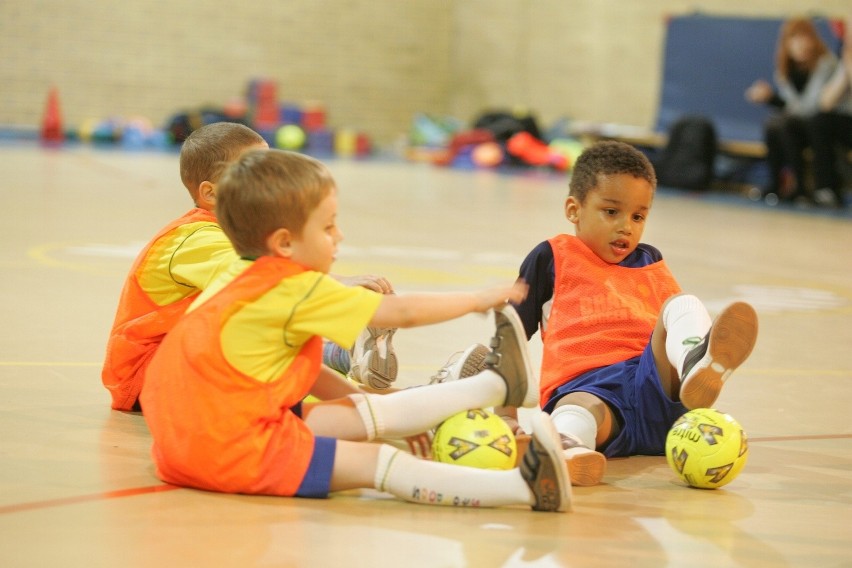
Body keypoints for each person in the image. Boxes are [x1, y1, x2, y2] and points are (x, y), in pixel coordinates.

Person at [138, 149, 571, 512]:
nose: (339, 235)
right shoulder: (293, 288)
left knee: (353, 414)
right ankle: (527, 488)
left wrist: (395, 419)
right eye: (327, 227)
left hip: (190, 439)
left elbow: (309, 376)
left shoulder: (239, 273)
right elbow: (399, 312)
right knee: (375, 462)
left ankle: (494, 385)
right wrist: (477, 300)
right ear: (284, 243)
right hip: (228, 450)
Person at [491, 141, 758, 487]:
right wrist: (505, 416)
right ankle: (566, 450)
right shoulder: (552, 257)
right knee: (579, 408)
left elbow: (668, 328)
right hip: (591, 387)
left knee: (681, 305)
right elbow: (510, 332)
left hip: (655, 385)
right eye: (611, 212)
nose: (626, 227)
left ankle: (697, 365)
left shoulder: (649, 259)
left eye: (638, 216)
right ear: (574, 209)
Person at [102, 122, 395, 412]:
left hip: (190, 361)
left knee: (277, 318)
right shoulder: (193, 237)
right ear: (212, 194)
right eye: (254, 172)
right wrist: (341, 283)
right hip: (147, 373)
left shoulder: (244, 233)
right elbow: (258, 277)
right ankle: (344, 374)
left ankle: (343, 365)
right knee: (269, 317)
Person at [745, 17, 839, 204]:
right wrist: (769, 97)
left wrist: (772, 99)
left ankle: (801, 188)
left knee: (787, 124)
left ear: (814, 40)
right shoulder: (785, 71)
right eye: (795, 39)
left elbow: (812, 107)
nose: (801, 44)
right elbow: (792, 107)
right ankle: (776, 184)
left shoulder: (826, 65)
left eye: (806, 38)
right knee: (774, 125)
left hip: (829, 125)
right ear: (786, 44)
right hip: (804, 126)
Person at [809, 13, 852, 209]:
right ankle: (826, 190)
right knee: (820, 121)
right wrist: (846, 66)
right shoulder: (843, 56)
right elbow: (825, 103)